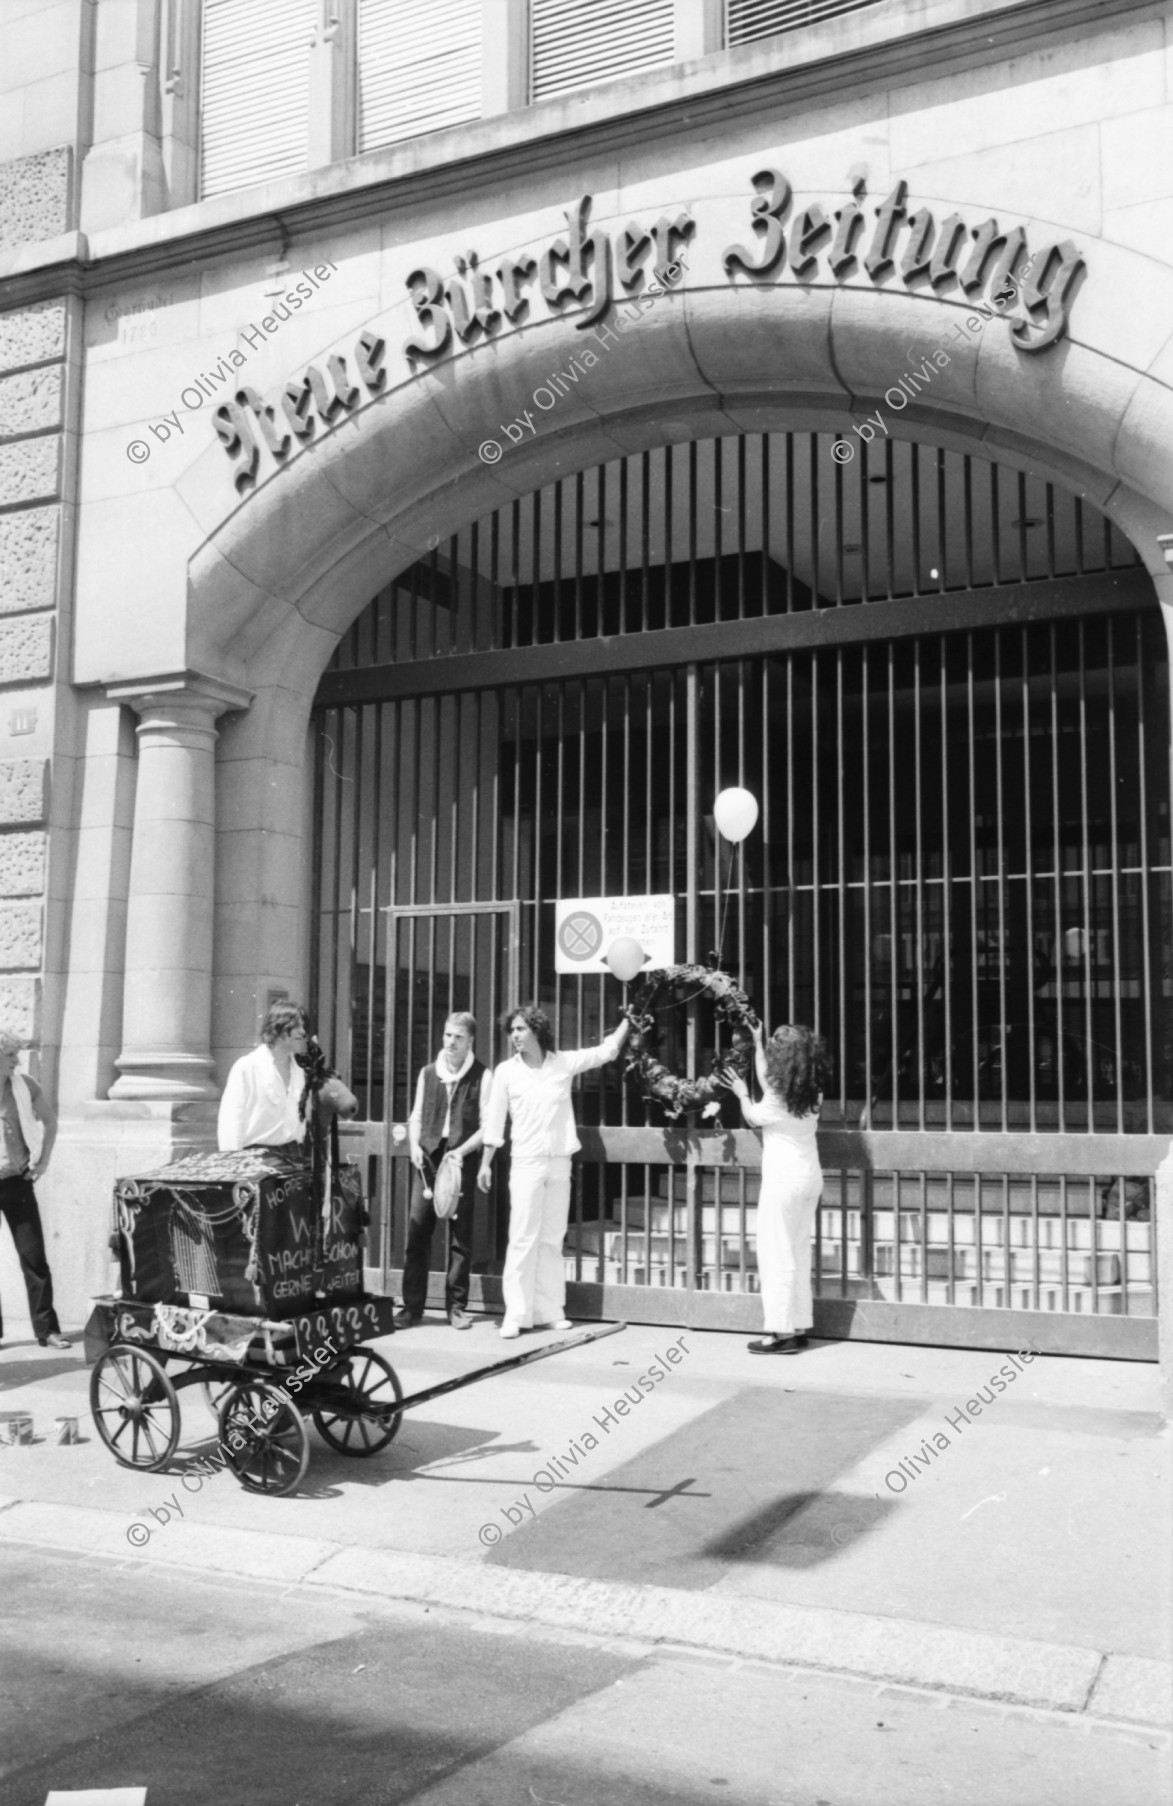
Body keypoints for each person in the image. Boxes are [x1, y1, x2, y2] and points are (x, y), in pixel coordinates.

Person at [478, 1004, 630, 1339]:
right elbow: (493, 1122)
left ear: (536, 1030)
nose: (515, 1036)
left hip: (559, 1161)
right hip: (527, 1162)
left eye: (520, 1029)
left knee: (550, 1239)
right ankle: (516, 1314)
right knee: (522, 1238)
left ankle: (549, 1311)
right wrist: (486, 1162)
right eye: (512, 1031)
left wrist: (627, 1022)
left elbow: (606, 1051)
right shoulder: (506, 1072)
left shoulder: (561, 1062)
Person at [722, 1021, 829, 1355]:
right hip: (809, 1178)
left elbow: (753, 1115)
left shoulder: (778, 1099)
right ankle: (797, 1326)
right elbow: (769, 1080)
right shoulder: (812, 1092)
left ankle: (779, 1333)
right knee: (797, 1252)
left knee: (775, 1255)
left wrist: (741, 1093)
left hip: (783, 1182)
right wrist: (756, 1044)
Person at [397, 1011, 492, 1330]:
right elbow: (416, 1116)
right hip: (428, 1159)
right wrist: (413, 1146)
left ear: (470, 1041)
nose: (451, 1042)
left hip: (459, 1161)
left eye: (458, 1037)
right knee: (417, 1233)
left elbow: (487, 1127)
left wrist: (461, 1152)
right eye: (447, 1035)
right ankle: (412, 1308)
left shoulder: (482, 1076)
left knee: (460, 1239)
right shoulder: (428, 1073)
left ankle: (457, 1307)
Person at [0, 1031, 69, 1349]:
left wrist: (42, 1163)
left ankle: (47, 1330)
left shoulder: (24, 1085)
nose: (17, 1061)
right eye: (10, 1055)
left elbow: (51, 1122)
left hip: (17, 1181)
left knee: (34, 1256)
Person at [217, 1001, 356, 1154]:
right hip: (255, 1159)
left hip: (293, 1156)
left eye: (304, 1026)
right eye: (297, 1026)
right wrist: (233, 1165)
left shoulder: (300, 1071)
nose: (303, 1032)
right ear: (279, 1029)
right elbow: (230, 1123)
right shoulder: (247, 1067)